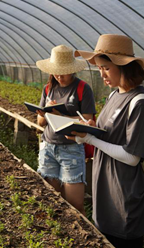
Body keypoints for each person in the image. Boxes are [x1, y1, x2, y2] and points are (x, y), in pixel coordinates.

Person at [68, 34, 144, 248]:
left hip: (124, 197)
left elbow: (132, 157)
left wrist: (91, 138)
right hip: (105, 191)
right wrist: (84, 134)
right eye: (99, 68)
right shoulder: (113, 95)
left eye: (106, 68)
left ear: (124, 67)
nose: (102, 74)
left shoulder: (140, 103)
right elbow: (106, 135)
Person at [35, 45, 96, 215]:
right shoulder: (48, 89)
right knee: (52, 200)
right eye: (56, 72)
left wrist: (58, 115)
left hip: (71, 149)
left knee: (75, 205)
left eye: (63, 72)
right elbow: (40, 122)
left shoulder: (83, 89)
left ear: (72, 70)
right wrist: (46, 111)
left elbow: (86, 121)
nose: (59, 76)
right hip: (48, 148)